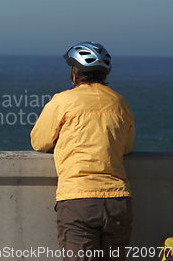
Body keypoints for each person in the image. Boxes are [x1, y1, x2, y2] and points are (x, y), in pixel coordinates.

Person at [30, 42, 135, 261]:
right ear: (104, 74)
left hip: (78, 199)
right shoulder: (120, 103)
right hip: (118, 201)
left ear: (75, 73)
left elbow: (39, 142)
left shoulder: (63, 100)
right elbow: (127, 147)